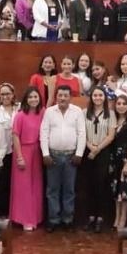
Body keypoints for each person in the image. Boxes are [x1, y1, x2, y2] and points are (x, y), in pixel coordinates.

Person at [40, 85, 86, 232]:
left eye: (66, 95)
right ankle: (53, 219)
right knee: (52, 190)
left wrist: (79, 154)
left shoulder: (77, 111)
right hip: (53, 156)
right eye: (60, 95)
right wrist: (45, 154)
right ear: (56, 97)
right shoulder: (49, 112)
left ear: (70, 97)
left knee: (69, 190)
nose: (63, 98)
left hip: (71, 156)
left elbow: (82, 133)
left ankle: (68, 220)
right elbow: (44, 133)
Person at [82, 87, 116, 233]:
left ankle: (100, 218)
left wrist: (98, 149)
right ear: (91, 97)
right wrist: (91, 147)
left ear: (105, 97)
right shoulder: (84, 113)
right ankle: (90, 217)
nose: (97, 98)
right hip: (88, 151)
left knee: (101, 185)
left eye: (100, 95)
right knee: (89, 185)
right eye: (95, 95)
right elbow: (81, 133)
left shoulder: (111, 114)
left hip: (103, 152)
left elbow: (111, 136)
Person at [11, 87, 45, 231]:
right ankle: (24, 219)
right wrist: (20, 157)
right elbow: (15, 136)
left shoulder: (43, 113)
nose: (33, 100)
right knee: (23, 187)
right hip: (23, 150)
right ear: (26, 99)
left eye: (35, 97)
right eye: (30, 97)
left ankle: (36, 217)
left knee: (36, 185)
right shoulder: (20, 115)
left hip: (37, 151)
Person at [109, 95, 127, 229]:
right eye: (119, 103)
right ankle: (116, 216)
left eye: (124, 104)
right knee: (116, 190)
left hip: (126, 159)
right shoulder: (113, 120)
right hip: (114, 159)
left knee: (124, 190)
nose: (121, 106)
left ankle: (123, 218)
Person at [0, 83, 18, 219]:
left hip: (17, 151)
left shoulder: (19, 109)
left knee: (15, 182)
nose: (5, 97)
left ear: (13, 95)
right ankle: (1, 212)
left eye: (8, 94)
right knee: (2, 182)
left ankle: (14, 211)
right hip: (2, 151)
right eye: (2, 94)